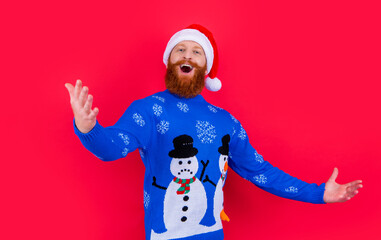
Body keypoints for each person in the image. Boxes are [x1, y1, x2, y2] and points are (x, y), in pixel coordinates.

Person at [65, 24, 363, 240]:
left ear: (205, 67)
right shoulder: (148, 110)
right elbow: (111, 148)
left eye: (196, 51)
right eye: (180, 49)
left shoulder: (225, 122)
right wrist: (88, 127)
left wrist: (319, 193)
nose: (187, 55)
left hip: (210, 233)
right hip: (162, 234)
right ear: (170, 61)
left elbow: (261, 172)